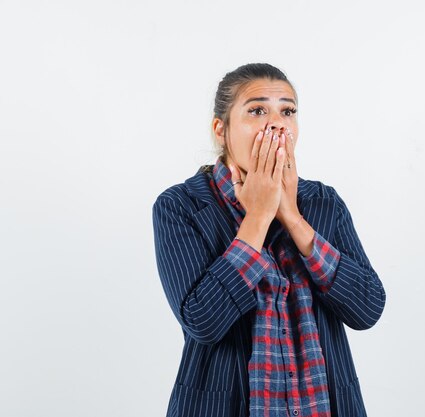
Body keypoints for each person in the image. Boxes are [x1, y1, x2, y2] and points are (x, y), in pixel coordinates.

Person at [152, 63, 386, 417]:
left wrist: (292, 216)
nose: (276, 123)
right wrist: (258, 217)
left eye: (288, 111)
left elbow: (367, 309)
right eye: (257, 110)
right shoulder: (180, 206)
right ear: (221, 130)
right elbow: (203, 321)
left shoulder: (323, 203)